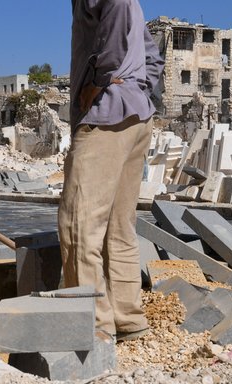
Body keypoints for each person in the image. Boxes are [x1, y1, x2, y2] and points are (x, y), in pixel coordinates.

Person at [58, 0, 164, 342]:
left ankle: (93, 327)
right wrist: (142, 91)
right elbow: (152, 53)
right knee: (119, 227)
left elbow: (115, 9)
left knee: (77, 226)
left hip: (107, 117)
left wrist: (99, 82)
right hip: (135, 115)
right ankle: (127, 319)